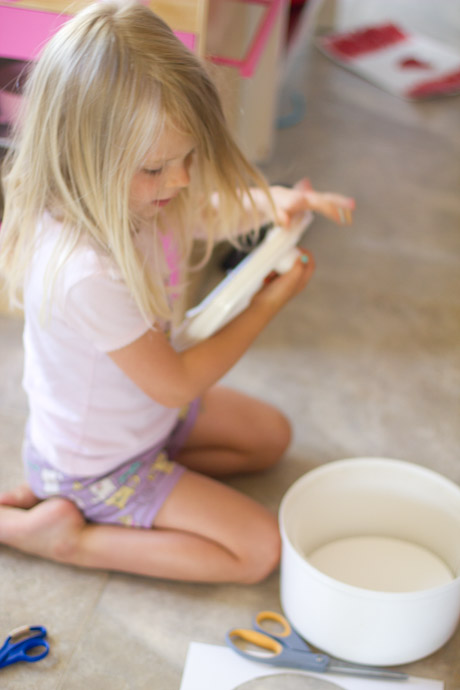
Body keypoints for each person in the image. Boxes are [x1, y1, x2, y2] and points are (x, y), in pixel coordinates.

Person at [0, 0, 354, 584]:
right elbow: (176, 383)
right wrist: (268, 301)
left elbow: (200, 213)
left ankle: (119, 494)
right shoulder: (82, 272)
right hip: (98, 462)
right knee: (257, 550)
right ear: (87, 157)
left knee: (270, 439)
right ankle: (69, 538)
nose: (183, 179)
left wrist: (275, 202)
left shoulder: (133, 194)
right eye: (160, 167)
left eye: (188, 157)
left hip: (142, 420)